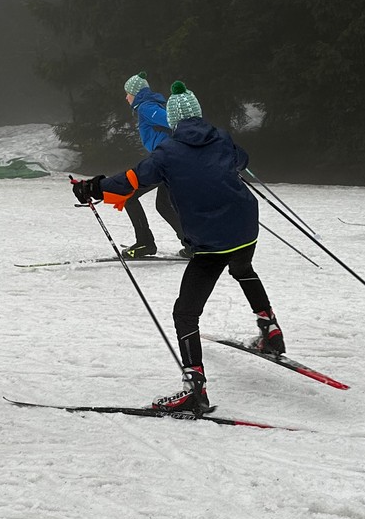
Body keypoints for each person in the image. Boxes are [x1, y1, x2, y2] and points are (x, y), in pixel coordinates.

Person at [71, 80, 284, 416]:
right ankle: (270, 330)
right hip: (246, 229)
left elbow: (130, 180)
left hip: (210, 241)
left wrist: (93, 187)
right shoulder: (221, 137)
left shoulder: (167, 153)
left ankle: (194, 388)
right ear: (197, 113)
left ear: (172, 120)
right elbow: (241, 159)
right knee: (243, 269)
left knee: (185, 313)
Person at [120, 72, 187, 259]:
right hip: (171, 160)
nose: (126, 97)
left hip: (165, 161)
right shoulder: (150, 105)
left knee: (129, 195)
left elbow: (173, 121)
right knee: (163, 205)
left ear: (136, 93)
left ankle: (145, 244)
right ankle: (191, 244)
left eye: (128, 93)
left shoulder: (146, 107)